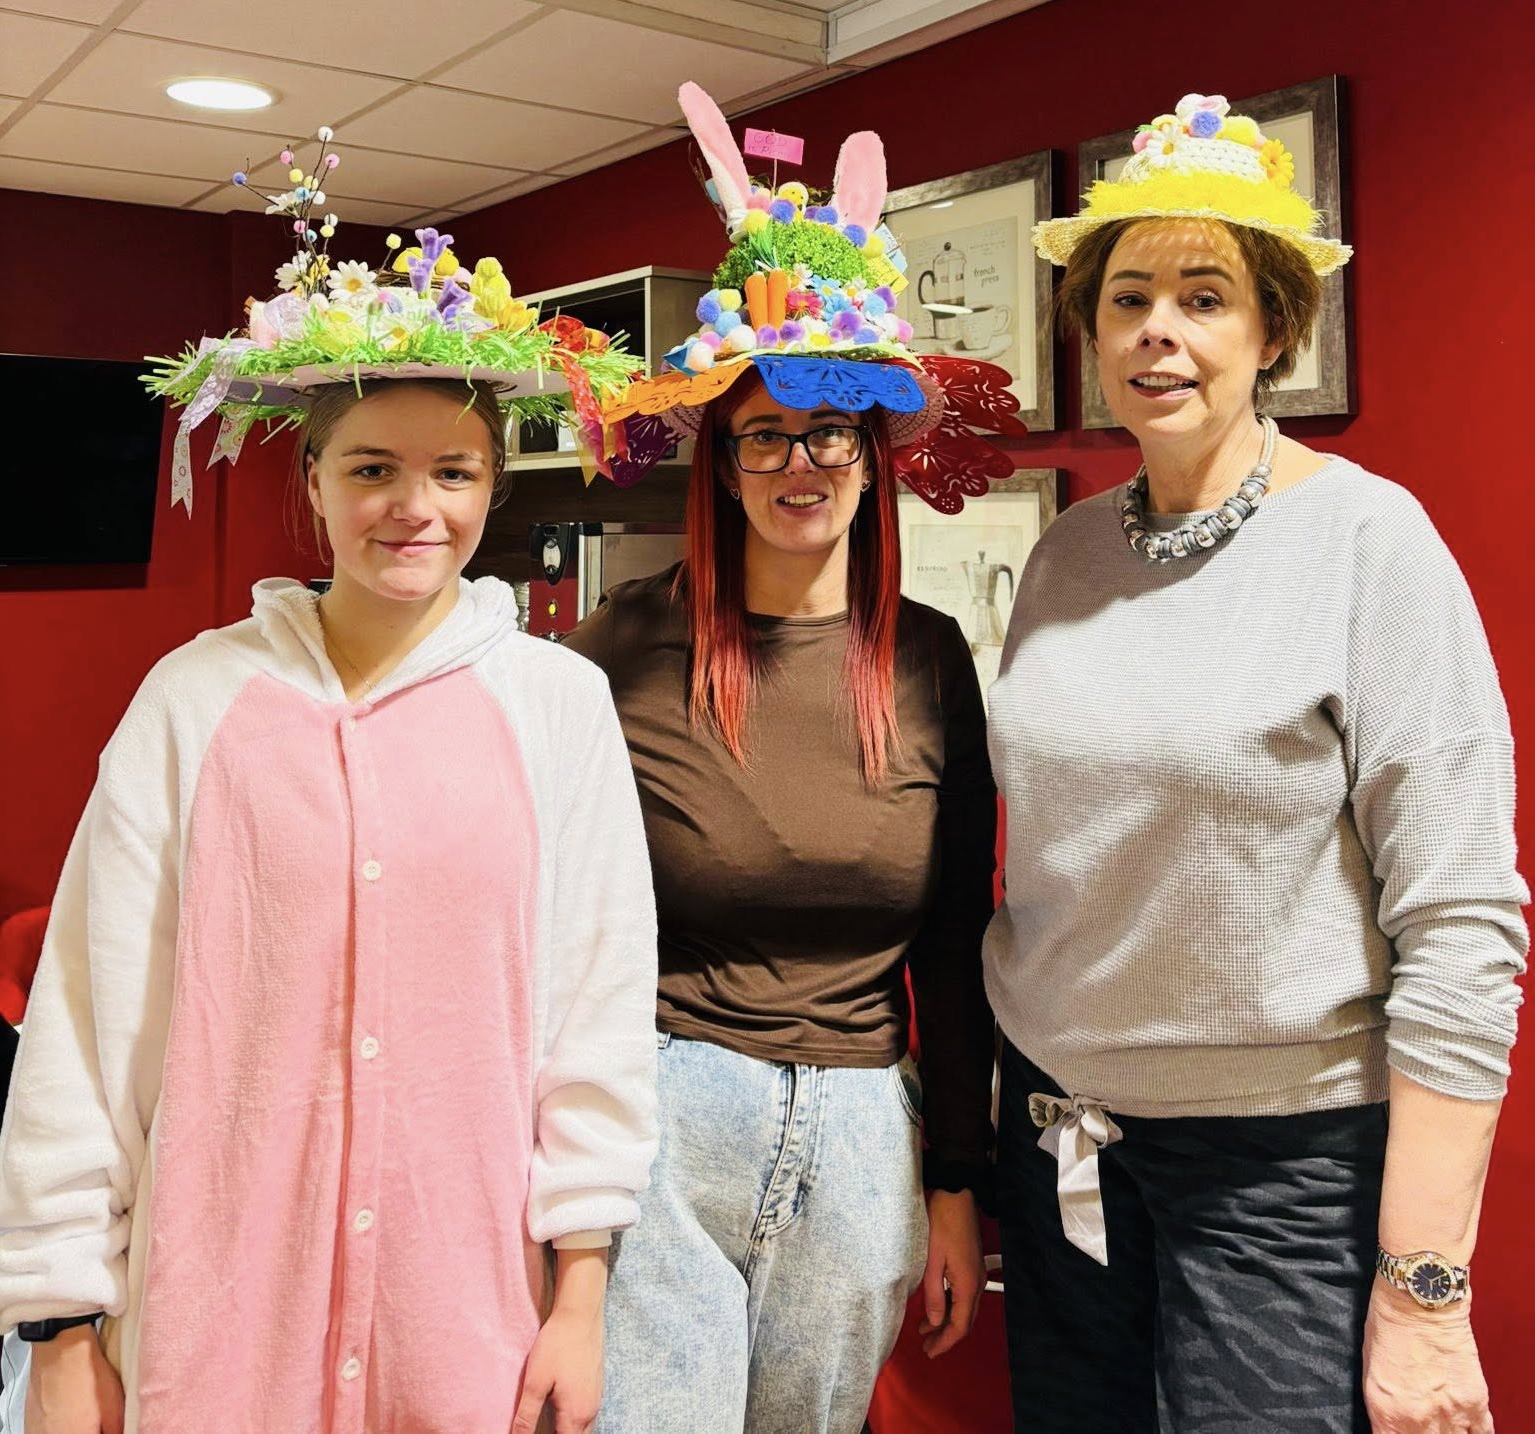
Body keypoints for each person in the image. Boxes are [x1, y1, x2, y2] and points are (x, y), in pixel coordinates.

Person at [0, 129, 655, 1434]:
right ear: (312, 482)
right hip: (220, 1310)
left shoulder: (557, 706)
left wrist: (582, 1293)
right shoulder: (197, 701)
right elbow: (87, 1013)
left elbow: (597, 1012)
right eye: (371, 469)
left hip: (459, 1313)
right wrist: (61, 1323)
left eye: (453, 472)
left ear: (493, 488)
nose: (415, 507)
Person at [985, 91, 1528, 1433]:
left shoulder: (1369, 542)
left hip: (1280, 1171)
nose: (1157, 329)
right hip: (1060, 1140)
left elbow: (1464, 922)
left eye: (1205, 296)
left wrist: (1425, 1290)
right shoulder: (1065, 553)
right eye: (1127, 299)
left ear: (1274, 331)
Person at [573, 82, 1026, 1434]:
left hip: (863, 1130)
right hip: (666, 1113)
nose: (799, 461)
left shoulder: (931, 657)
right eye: (764, 433)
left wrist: (956, 1185)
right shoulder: (622, 645)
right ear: (720, 464)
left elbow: (956, 938)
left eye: (830, 430)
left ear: (872, 455)